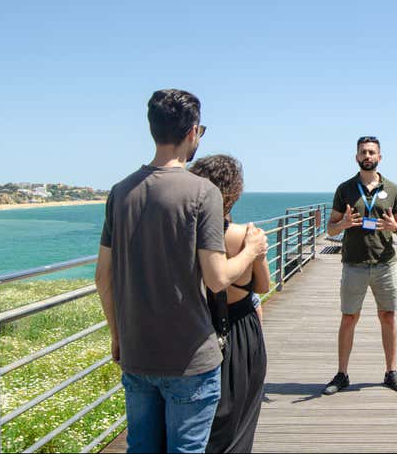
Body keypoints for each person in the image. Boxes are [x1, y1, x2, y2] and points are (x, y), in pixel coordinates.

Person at [94, 89, 268, 453]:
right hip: (190, 358)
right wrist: (251, 250)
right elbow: (217, 277)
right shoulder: (203, 192)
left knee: (141, 447)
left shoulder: (120, 192)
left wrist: (117, 336)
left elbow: (102, 277)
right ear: (192, 132)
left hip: (137, 352)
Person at [188, 155, 270, 453]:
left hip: (198, 329)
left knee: (206, 426)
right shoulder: (243, 236)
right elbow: (262, 286)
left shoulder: (188, 235)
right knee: (239, 422)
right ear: (233, 193)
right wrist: (252, 252)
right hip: (241, 331)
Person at [322, 136, 397, 395]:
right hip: (354, 263)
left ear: (380, 157)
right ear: (356, 157)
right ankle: (342, 374)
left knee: (388, 316)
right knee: (349, 317)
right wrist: (343, 225)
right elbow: (330, 227)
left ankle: (391, 372)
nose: (368, 156)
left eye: (372, 152)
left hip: (385, 263)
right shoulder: (345, 189)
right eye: (363, 152)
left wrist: (396, 228)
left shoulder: (392, 189)